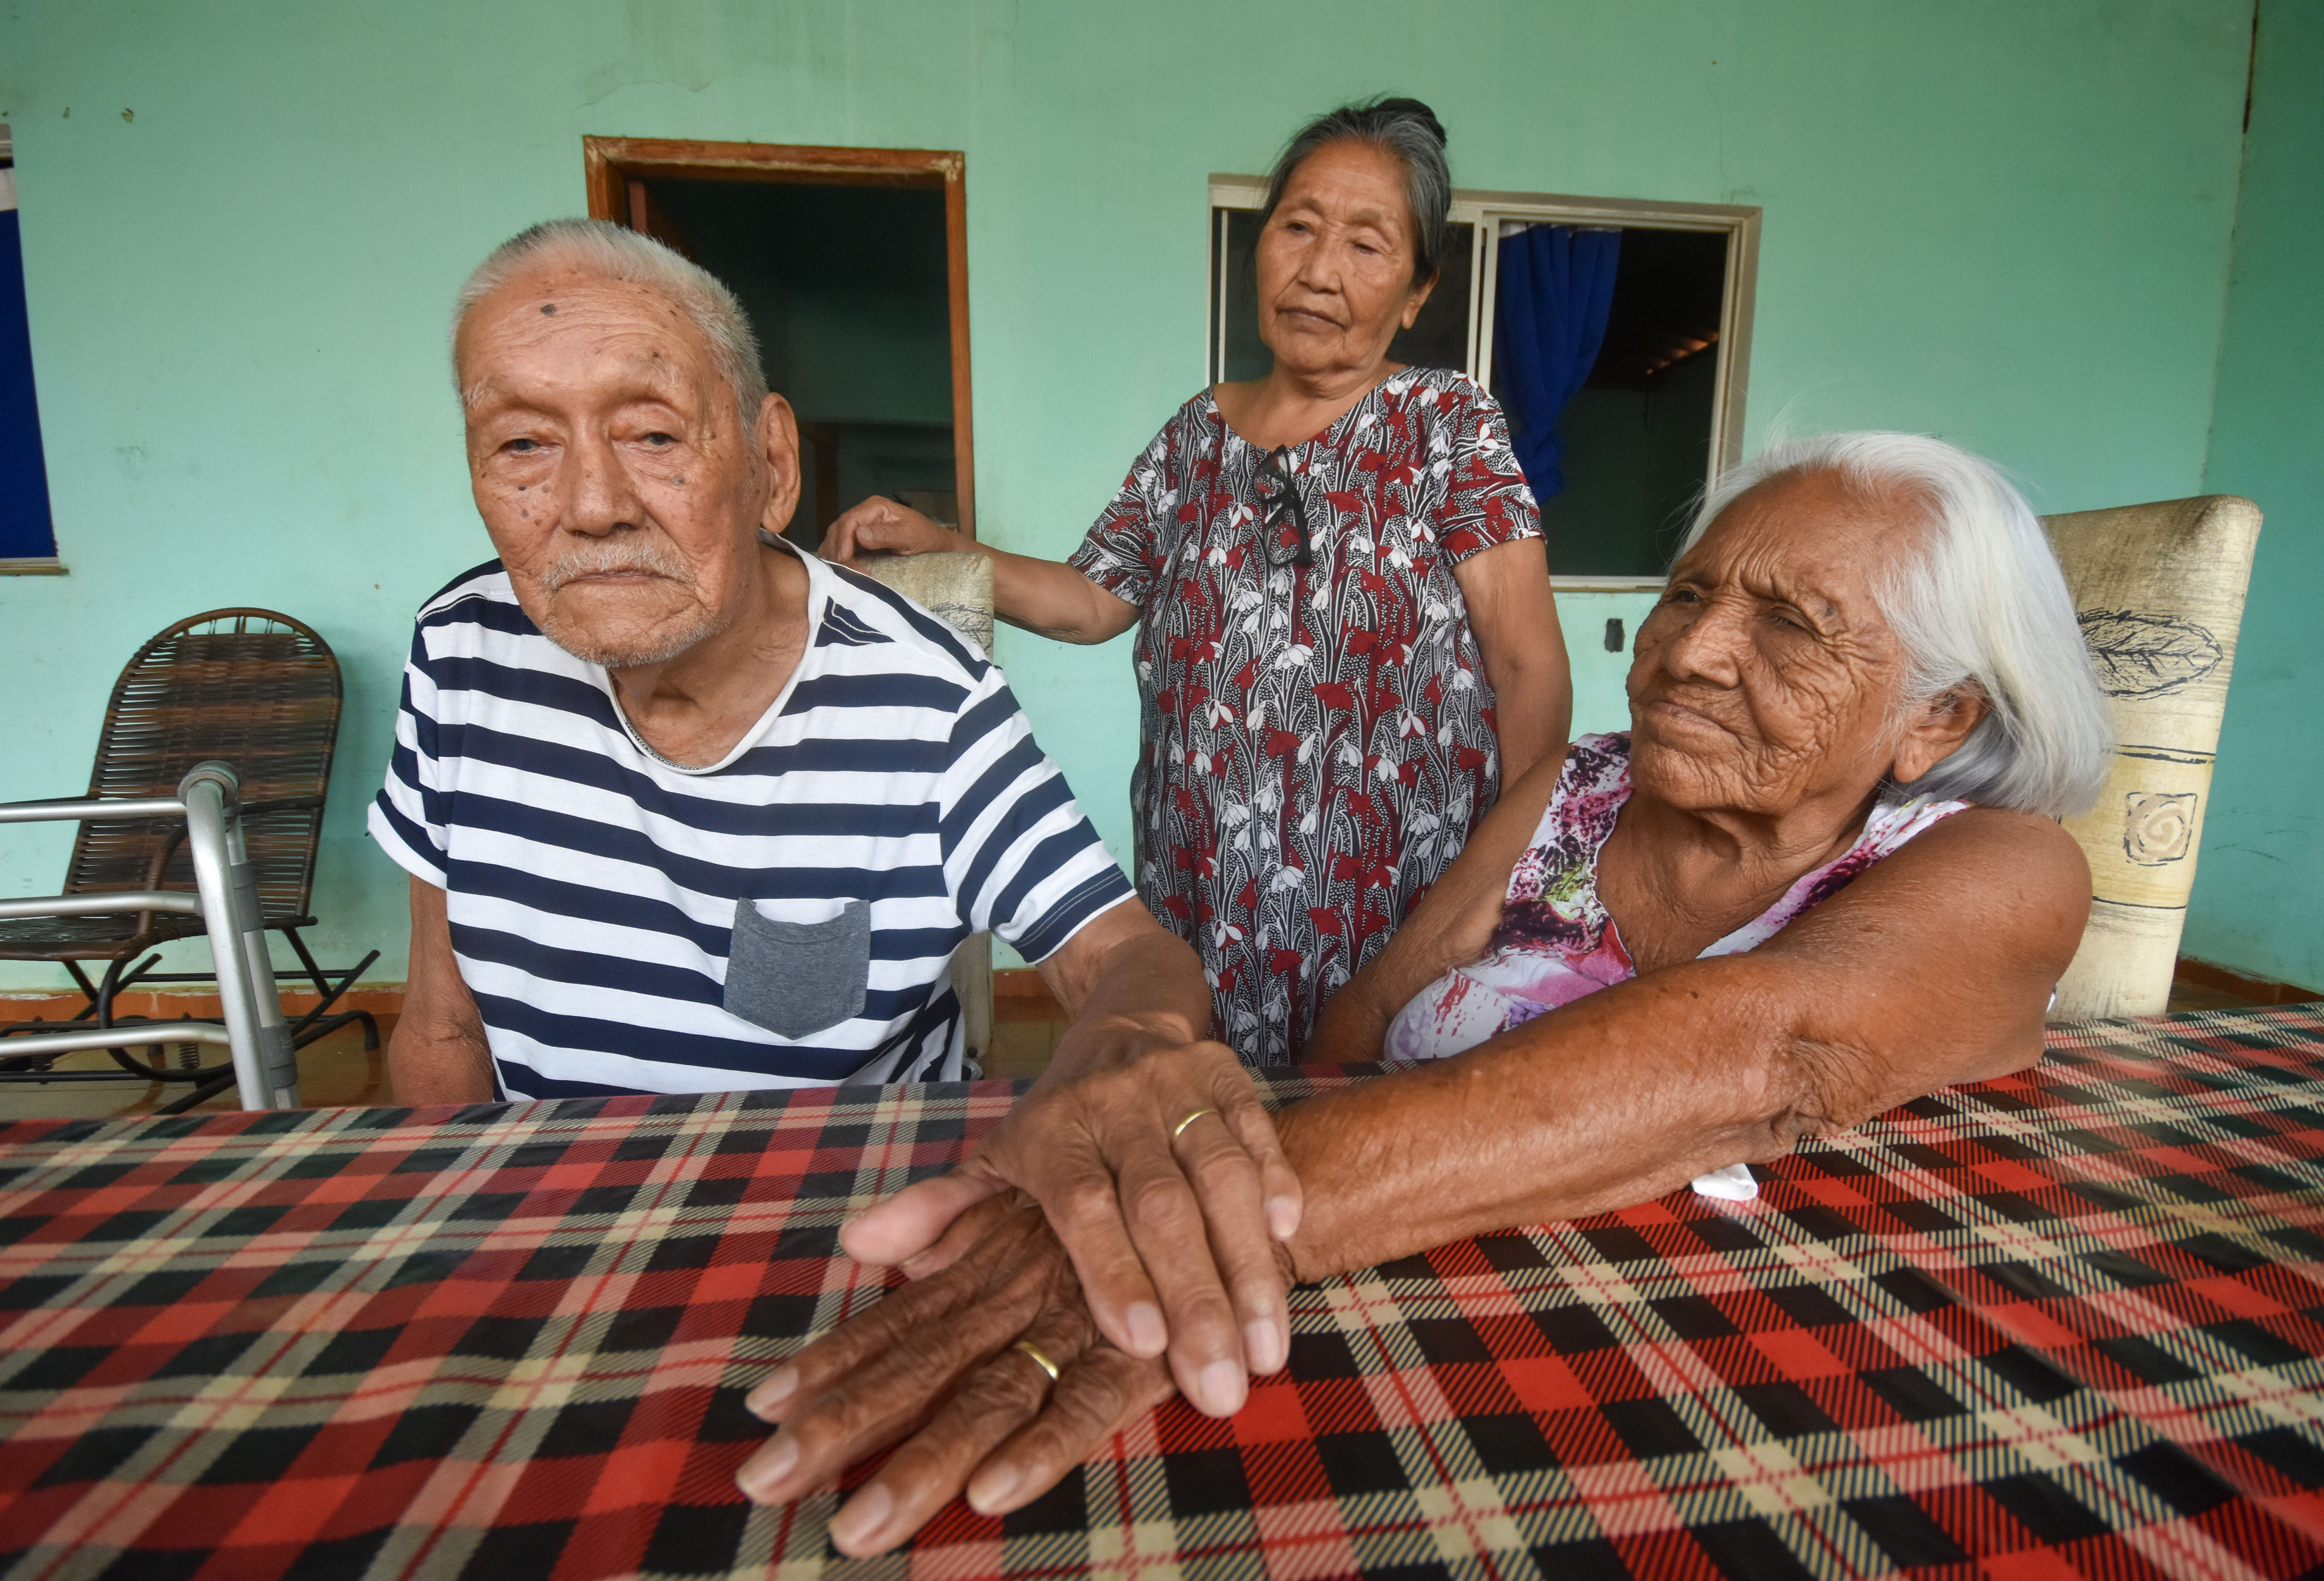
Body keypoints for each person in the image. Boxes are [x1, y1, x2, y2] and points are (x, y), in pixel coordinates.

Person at [737, 431, 2115, 1556]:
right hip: (1367, 1296)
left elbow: (1765, 1045)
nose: (1689, 652)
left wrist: (1200, 1229)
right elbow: (1353, 1028)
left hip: (1731, 1416)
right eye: (1691, 594)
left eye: (1793, 626)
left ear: (1940, 718)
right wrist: (1192, 1197)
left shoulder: (2003, 871)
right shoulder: (1575, 791)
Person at [368, 219, 1306, 1418]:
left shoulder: (922, 694)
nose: (590, 506)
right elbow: (441, 1024)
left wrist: (1124, 1059)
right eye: (520, 445)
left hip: (837, 1257)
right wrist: (452, 1287)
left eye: (653, 434)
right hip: (552, 1244)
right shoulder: (463, 653)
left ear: (771, 460)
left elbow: (1127, 955)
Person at [821, 99, 1573, 1063]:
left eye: (1367, 245)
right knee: (1209, 1141)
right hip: (1205, 890)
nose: (1319, 271)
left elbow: (1527, 670)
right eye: (1297, 227)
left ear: (1418, 291)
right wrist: (944, 544)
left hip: (1398, 906)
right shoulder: (1195, 437)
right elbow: (1092, 600)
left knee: (1376, 1138)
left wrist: (1504, 885)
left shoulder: (1448, 426)